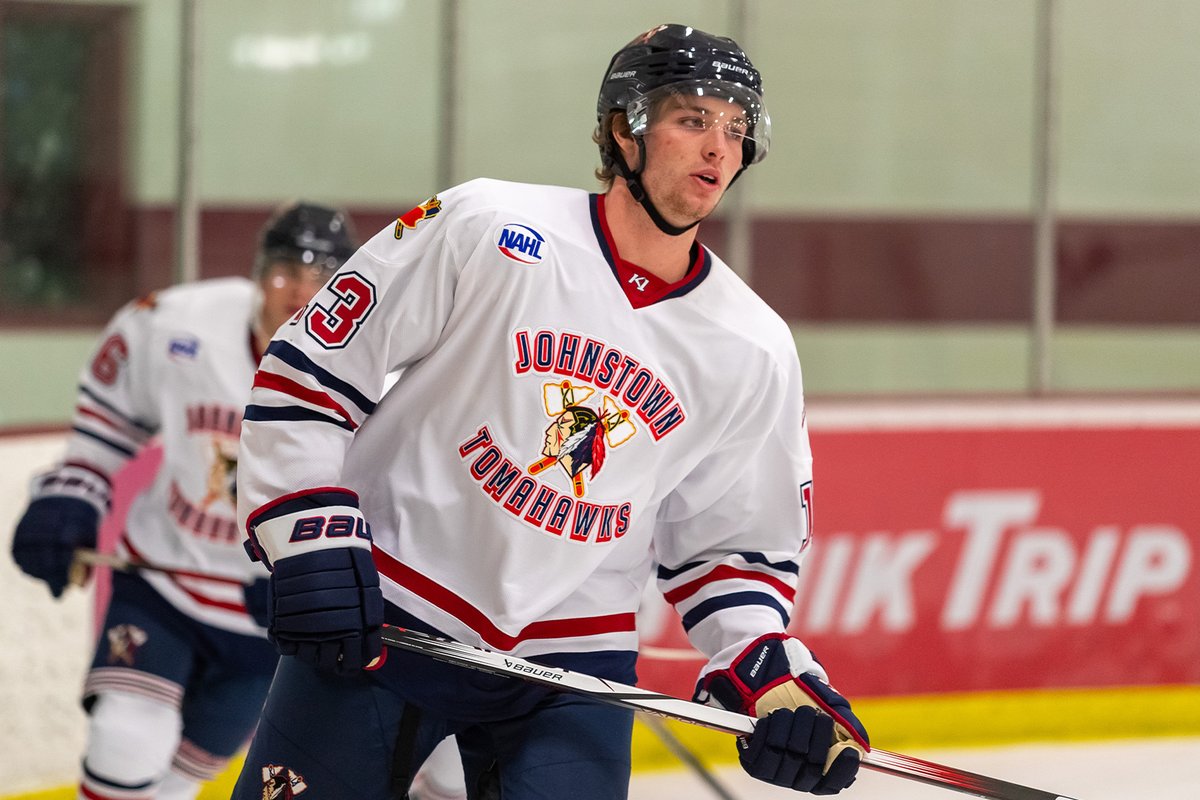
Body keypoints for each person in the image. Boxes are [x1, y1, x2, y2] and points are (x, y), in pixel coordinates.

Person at [232, 23, 869, 800]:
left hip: (571, 662)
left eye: (736, 128)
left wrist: (767, 672)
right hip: (390, 613)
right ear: (620, 129)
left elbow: (732, 550)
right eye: (693, 119)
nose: (718, 149)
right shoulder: (488, 226)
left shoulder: (754, 345)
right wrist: (307, 537)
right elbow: (314, 371)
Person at [10, 201, 357, 800]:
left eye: (320, 279)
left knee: (181, 782)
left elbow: (390, 497)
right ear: (257, 274)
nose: (299, 295)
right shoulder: (179, 326)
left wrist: (315, 578)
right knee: (125, 738)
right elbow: (110, 415)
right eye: (283, 274)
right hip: (162, 588)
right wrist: (73, 494)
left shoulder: (378, 372)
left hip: (266, 621)